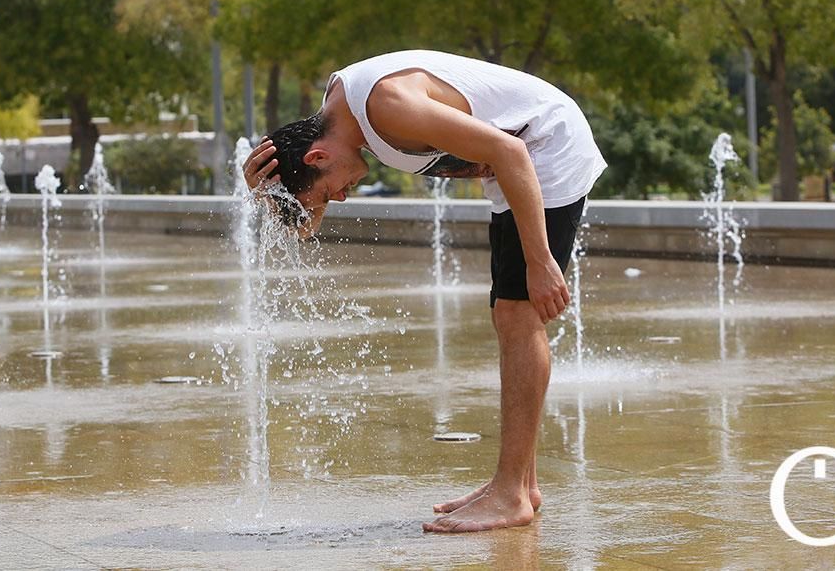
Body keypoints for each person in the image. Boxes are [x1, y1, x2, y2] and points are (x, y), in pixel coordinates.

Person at [241, 49, 606, 533]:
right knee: (509, 315)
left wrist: (540, 262)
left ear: (317, 156)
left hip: (545, 146)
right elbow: (305, 226)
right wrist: (274, 193)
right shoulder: (339, 115)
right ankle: (521, 483)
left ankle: (511, 492)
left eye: (331, 192)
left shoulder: (385, 104)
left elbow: (511, 152)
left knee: (520, 316)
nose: (342, 197)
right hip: (518, 165)